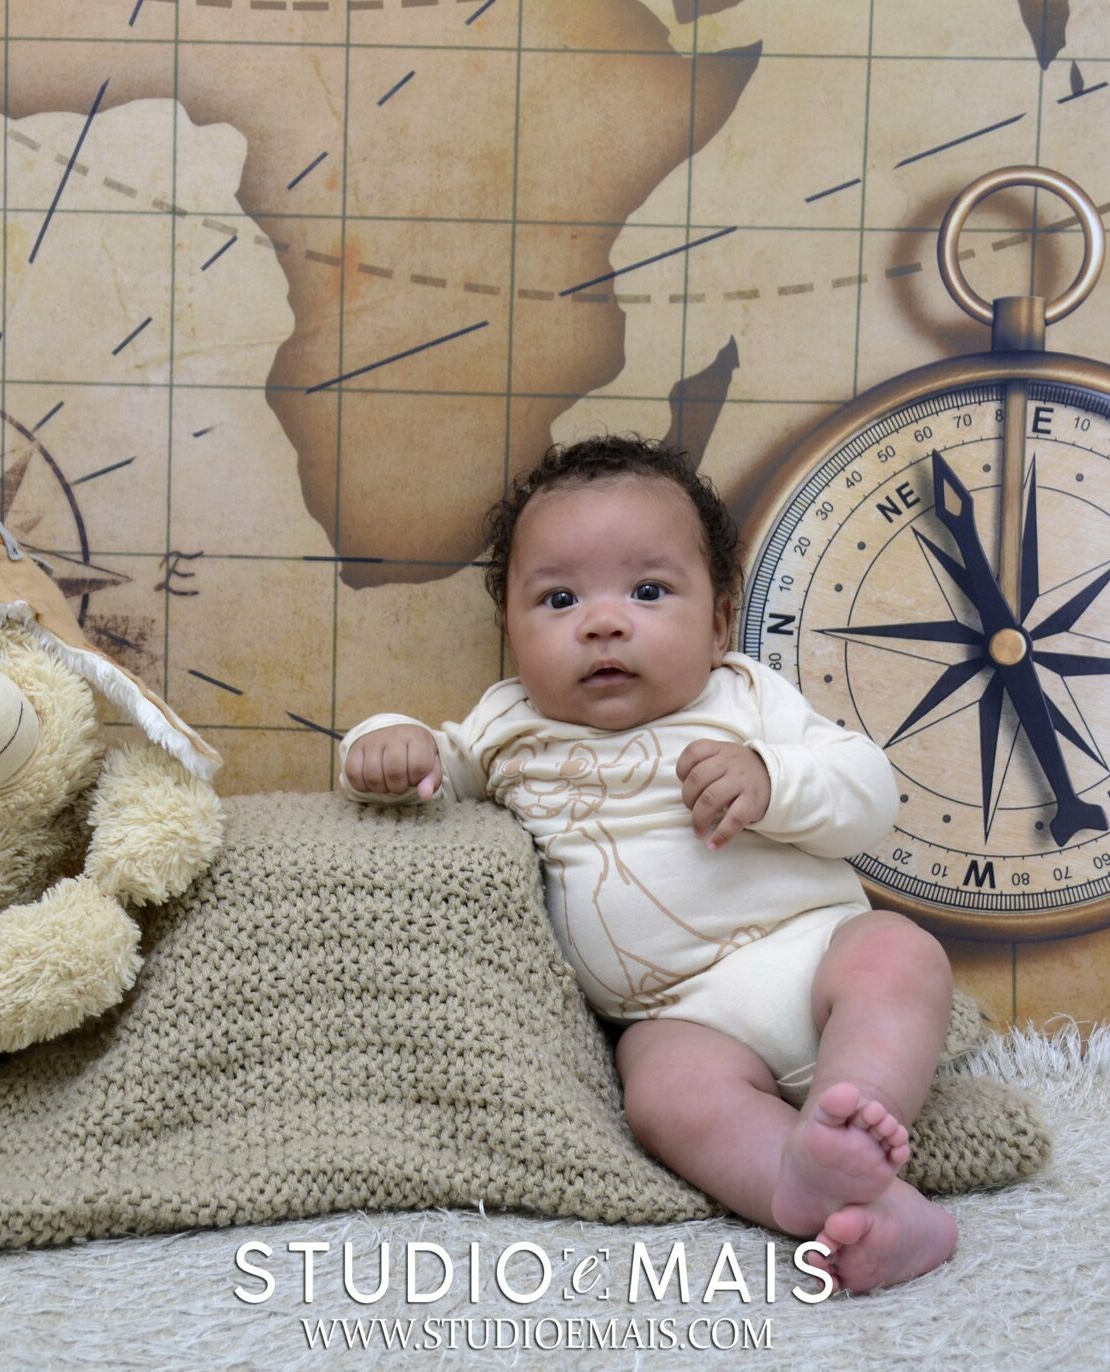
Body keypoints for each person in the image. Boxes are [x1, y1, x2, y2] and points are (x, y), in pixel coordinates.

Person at [337, 435, 958, 1293]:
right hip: (676, 1018)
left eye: (648, 591)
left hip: (815, 955)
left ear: (718, 621)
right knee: (661, 1099)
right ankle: (822, 1191)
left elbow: (869, 791)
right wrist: (383, 741)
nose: (603, 622)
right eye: (559, 599)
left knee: (898, 953)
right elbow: (428, 767)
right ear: (511, 632)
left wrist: (770, 780)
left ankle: (851, 1111)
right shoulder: (508, 727)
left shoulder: (747, 698)